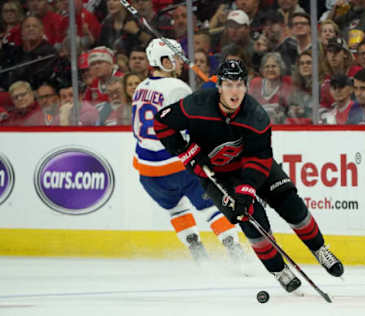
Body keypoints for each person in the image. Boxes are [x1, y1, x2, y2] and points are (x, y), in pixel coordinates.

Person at [153, 59, 344, 293]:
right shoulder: (197, 105)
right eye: (229, 84)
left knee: (290, 203)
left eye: (240, 84)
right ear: (219, 86)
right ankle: (278, 270)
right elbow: (162, 122)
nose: (235, 91)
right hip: (216, 176)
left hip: (252, 167)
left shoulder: (256, 116)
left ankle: (319, 249)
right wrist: (185, 152)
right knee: (249, 218)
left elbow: (261, 158)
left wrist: (247, 188)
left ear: (246, 87)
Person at [132, 38, 246, 263]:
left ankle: (196, 251)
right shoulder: (177, 87)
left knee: (176, 209)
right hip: (178, 166)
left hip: (148, 173)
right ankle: (235, 250)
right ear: (162, 60)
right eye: (174, 58)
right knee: (211, 207)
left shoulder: (140, 88)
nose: (179, 62)